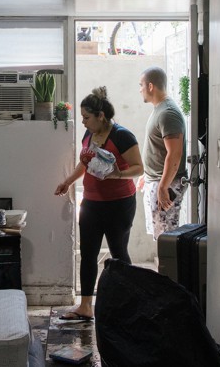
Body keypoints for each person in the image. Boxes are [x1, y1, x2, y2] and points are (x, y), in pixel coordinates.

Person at [54, 87, 143, 320]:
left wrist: (117, 175)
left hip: (119, 204)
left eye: (86, 117)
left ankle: (130, 303)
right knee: (88, 254)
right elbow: (84, 164)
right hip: (92, 203)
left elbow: (139, 168)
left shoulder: (122, 136)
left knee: (118, 253)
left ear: (100, 116)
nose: (82, 122)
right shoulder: (89, 135)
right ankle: (85, 306)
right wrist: (68, 182)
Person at [137, 67, 188, 239]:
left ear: (151, 86)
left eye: (141, 85)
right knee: (160, 236)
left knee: (166, 239)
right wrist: (148, 174)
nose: (140, 89)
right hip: (157, 180)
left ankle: (169, 267)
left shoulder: (168, 113)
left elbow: (174, 153)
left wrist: (163, 186)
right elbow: (157, 147)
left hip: (167, 184)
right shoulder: (159, 110)